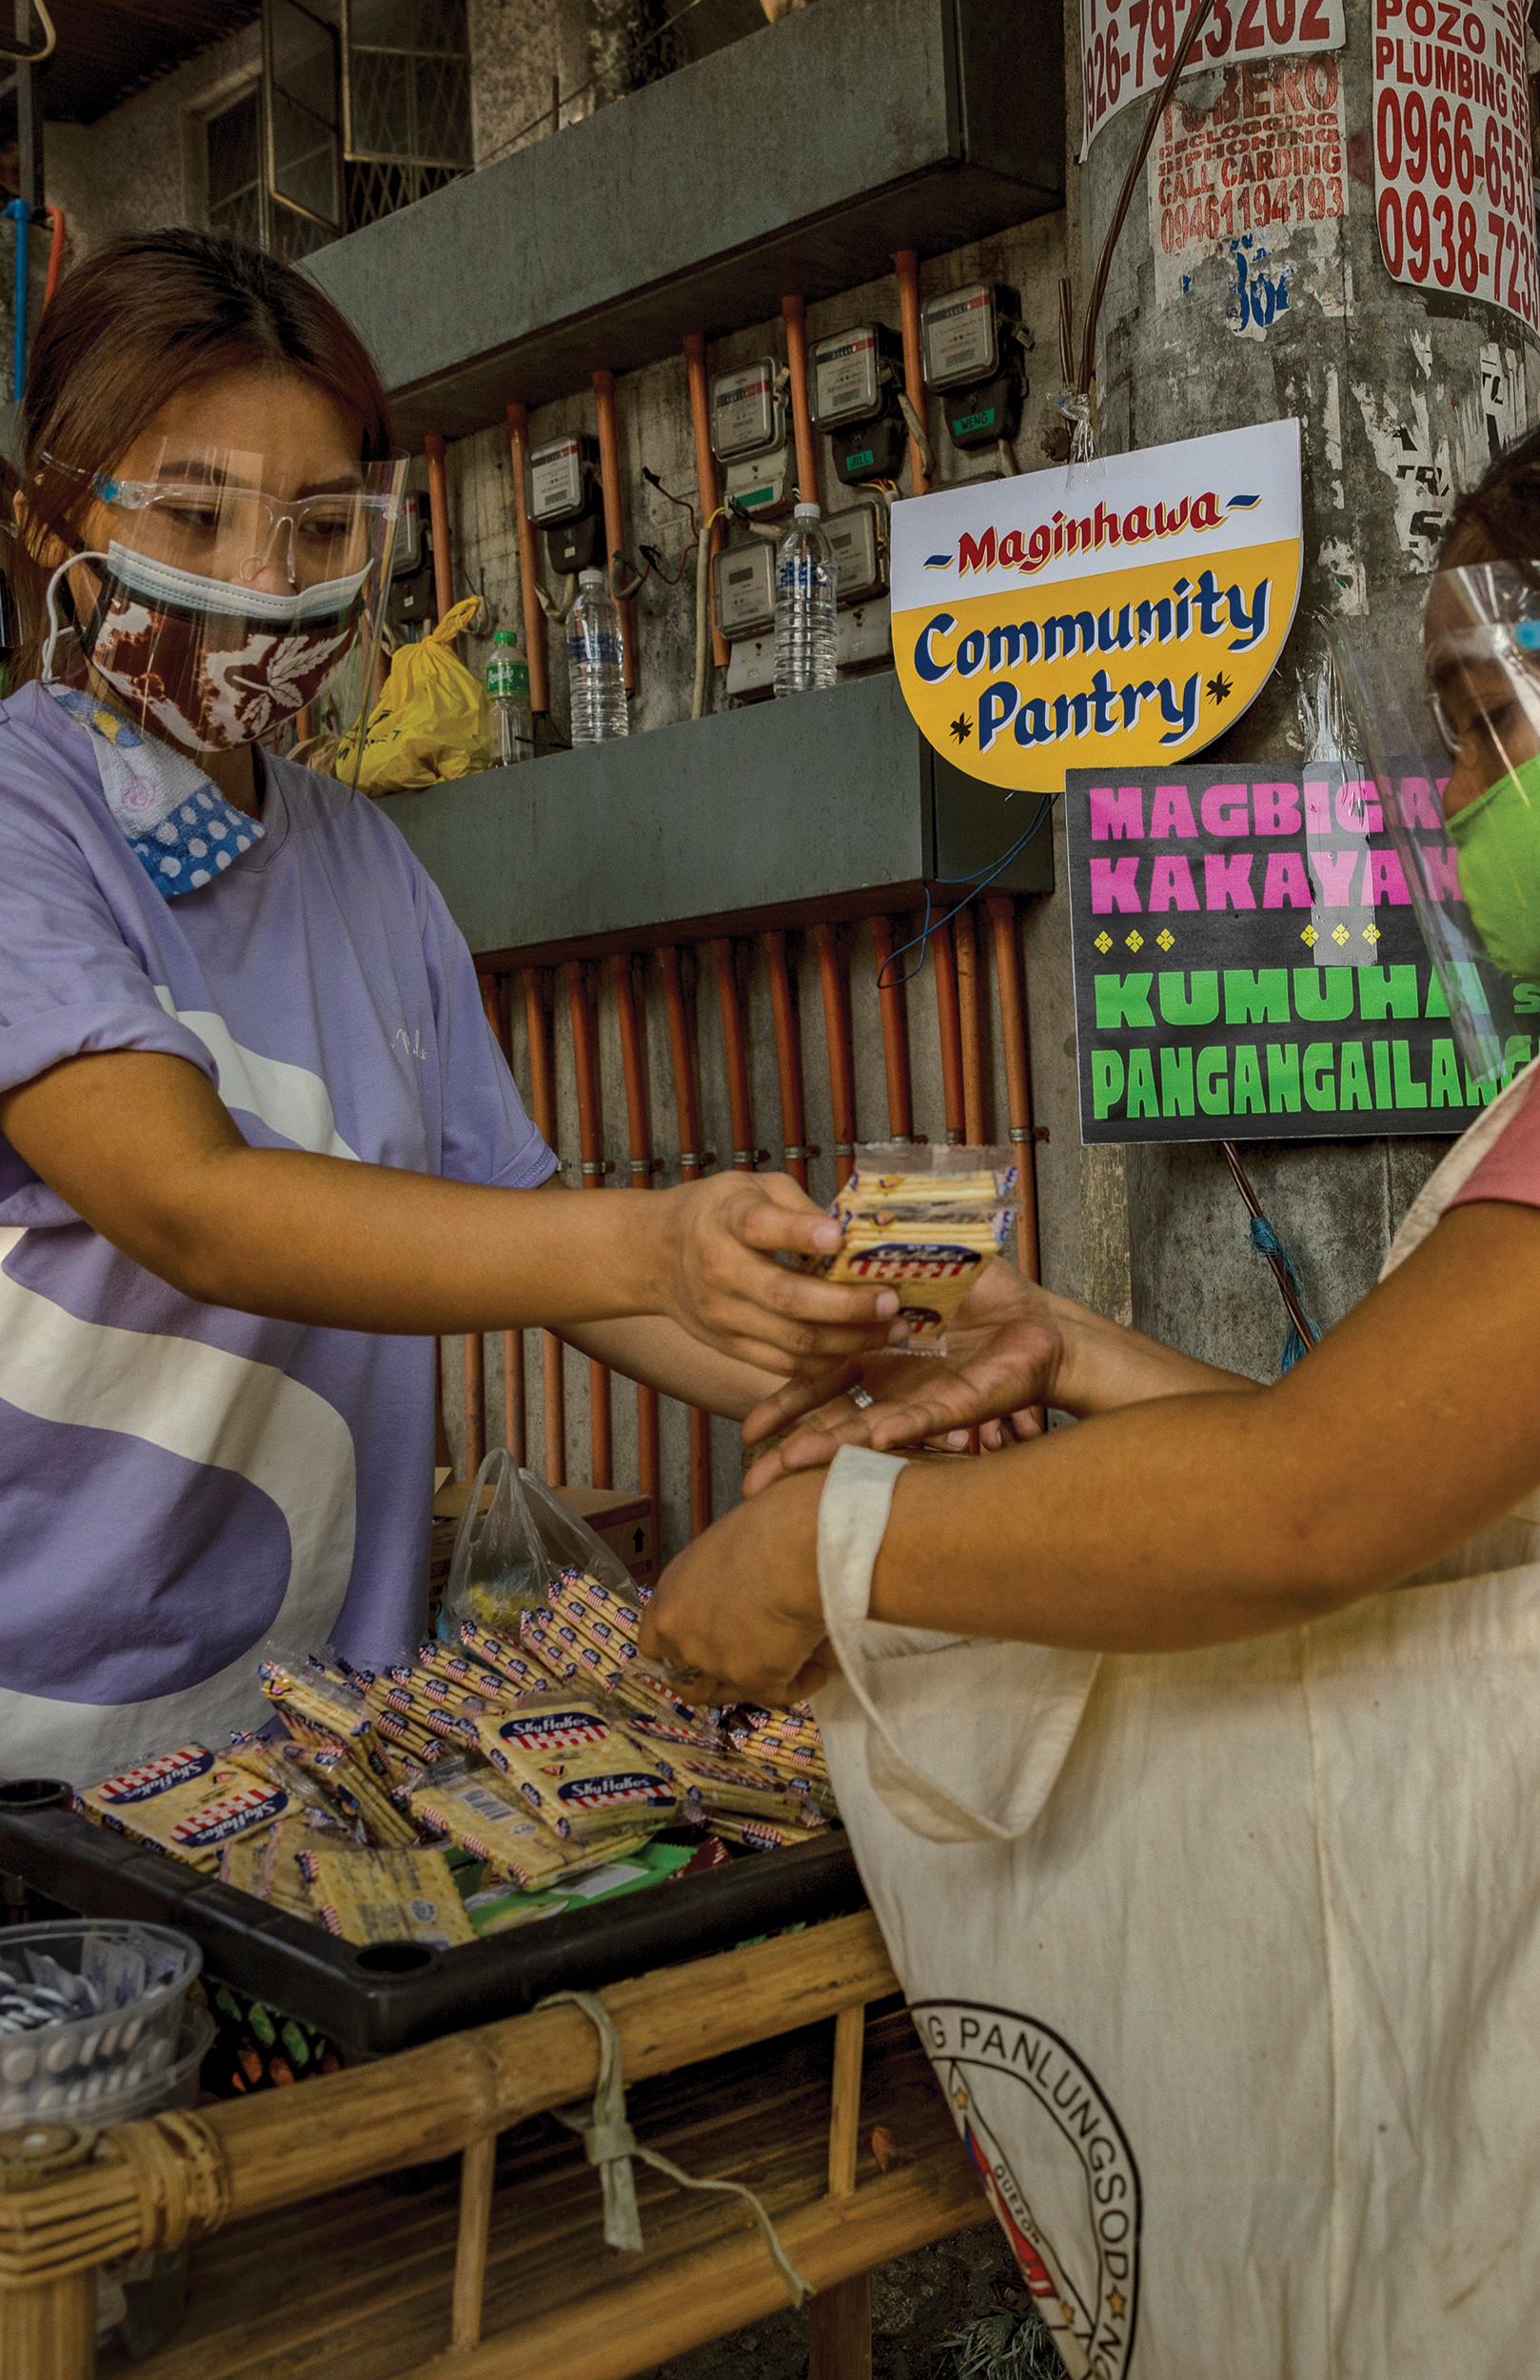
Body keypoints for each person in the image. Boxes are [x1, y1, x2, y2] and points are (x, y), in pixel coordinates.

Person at [642, 347, 1540, 2369]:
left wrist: (830, 1549)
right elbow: (1507, 1508)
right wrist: (1085, 1354)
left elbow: (1318, 1509)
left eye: (1490, 726)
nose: (1458, 803)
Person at [0, 229, 905, 1781]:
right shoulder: (25, 822)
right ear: (48, 520)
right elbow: (189, 1204)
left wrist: (865, 1362)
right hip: (38, 1743)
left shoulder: (361, 859)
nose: (264, 587)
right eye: (197, 518)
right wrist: (658, 1238)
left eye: (316, 527)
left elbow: (545, 1248)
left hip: (308, 1740)